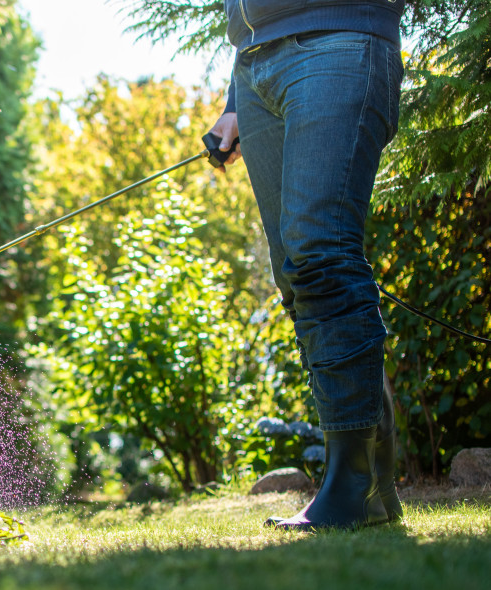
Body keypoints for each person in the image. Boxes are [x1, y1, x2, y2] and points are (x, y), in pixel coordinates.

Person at [208, 0, 407, 531]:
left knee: (321, 255)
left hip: (339, 38)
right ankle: (371, 472)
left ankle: (351, 483)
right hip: (254, 66)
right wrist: (234, 98)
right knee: (297, 276)